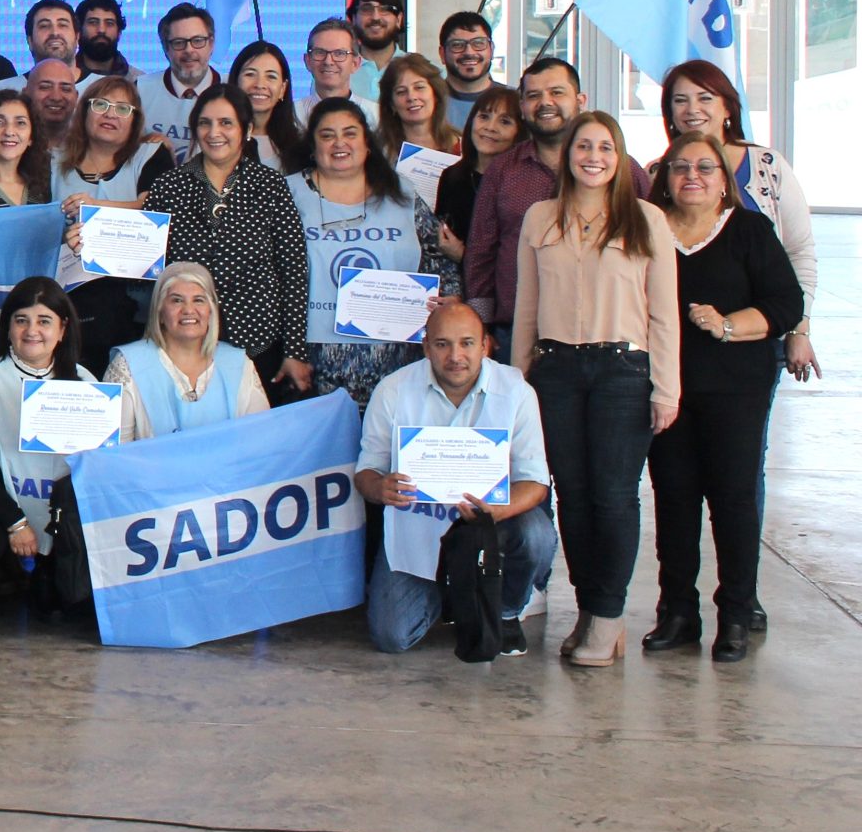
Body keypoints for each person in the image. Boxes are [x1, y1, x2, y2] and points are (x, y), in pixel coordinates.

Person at [510, 111, 681, 668]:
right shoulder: (541, 217)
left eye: (606, 147)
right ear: (568, 155)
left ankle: (609, 616)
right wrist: (517, 382)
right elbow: (527, 310)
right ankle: (588, 609)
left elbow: (664, 316)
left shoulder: (647, 220)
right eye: (584, 145)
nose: (593, 156)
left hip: (622, 372)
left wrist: (666, 389)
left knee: (613, 495)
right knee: (573, 497)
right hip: (556, 370)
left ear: (619, 157)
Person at [644, 131, 801, 663]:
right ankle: (678, 612)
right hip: (666, 390)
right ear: (664, 176)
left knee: (733, 501)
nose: (692, 176)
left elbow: (785, 303)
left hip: (736, 389)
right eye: (680, 166)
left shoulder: (749, 230)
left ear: (723, 180)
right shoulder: (648, 231)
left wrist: (729, 326)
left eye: (705, 168)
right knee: (674, 500)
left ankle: (735, 612)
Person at [355, 302, 555, 656]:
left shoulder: (516, 392)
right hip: (417, 527)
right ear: (426, 346)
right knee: (392, 637)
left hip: (490, 522)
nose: (455, 356)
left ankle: (503, 610)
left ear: (485, 346)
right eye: (443, 344)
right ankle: (453, 593)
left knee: (536, 534)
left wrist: (496, 511)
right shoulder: (394, 390)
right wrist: (378, 487)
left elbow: (536, 483)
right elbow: (366, 471)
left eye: (466, 343)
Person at [283, 97, 453, 404]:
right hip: (311, 364)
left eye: (350, 133)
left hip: (398, 362)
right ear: (312, 145)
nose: (339, 143)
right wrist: (289, 351)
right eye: (327, 135)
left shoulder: (401, 194)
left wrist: (448, 298)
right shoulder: (285, 194)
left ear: (367, 143)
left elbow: (438, 254)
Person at [661, 59, 821, 382]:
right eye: (681, 100)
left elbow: (799, 252)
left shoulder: (767, 166)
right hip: (675, 349)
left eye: (705, 98)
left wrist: (798, 329)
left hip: (755, 343)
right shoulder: (659, 173)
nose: (693, 109)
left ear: (728, 109)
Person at [140, 85, 308, 392]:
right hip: (183, 343)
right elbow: (144, 265)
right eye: (205, 123)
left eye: (226, 123)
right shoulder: (168, 186)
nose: (214, 132)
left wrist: (294, 350)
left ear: (246, 130)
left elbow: (293, 270)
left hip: (256, 343)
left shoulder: (270, 186)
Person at [466, 58, 647, 338]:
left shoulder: (620, 168)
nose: (545, 102)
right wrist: (481, 328)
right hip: (515, 331)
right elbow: (481, 252)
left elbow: (651, 248)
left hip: (607, 334)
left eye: (556, 92)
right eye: (534, 96)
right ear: (523, 108)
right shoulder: (502, 171)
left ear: (580, 100)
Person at [0, 278, 93, 619]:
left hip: (60, 510)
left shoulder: (87, 383)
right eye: (22, 320)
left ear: (62, 329)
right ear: (8, 327)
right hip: (0, 506)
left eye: (44, 321)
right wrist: (15, 522)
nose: (32, 331)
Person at [50, 75, 175, 368]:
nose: (110, 114)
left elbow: (156, 209)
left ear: (135, 120)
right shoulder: (53, 162)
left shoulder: (151, 155)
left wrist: (96, 208)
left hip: (136, 308)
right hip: (71, 306)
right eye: (101, 104)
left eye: (123, 109)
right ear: (84, 111)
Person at [107, 263, 270, 439]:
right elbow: (115, 454)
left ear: (211, 311)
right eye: (177, 300)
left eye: (198, 300)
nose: (189, 310)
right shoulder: (127, 365)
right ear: (160, 312)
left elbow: (261, 440)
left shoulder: (238, 363)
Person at [435, 87, 524, 265]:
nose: (490, 128)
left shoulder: (523, 185)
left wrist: (464, 257)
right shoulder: (451, 176)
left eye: (504, 122)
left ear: (519, 134)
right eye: (484, 117)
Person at [137, 2, 221, 155]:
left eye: (197, 41)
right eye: (179, 43)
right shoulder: (139, 91)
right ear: (165, 48)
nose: (189, 50)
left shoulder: (234, 89)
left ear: (211, 44)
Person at [228, 40, 304, 171]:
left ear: (282, 88)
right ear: (235, 81)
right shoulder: (216, 137)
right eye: (250, 74)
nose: (259, 84)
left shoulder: (298, 147)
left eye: (271, 77)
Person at [376, 51, 461, 167]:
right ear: (392, 104)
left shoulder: (464, 147)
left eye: (419, 87)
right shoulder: (377, 151)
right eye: (401, 92)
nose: (411, 97)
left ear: (435, 94)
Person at [296, 18, 377, 128]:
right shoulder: (292, 117)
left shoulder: (376, 117)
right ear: (307, 61)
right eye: (320, 52)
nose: (328, 61)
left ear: (355, 63)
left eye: (339, 53)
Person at [345, 0, 406, 104]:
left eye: (385, 9)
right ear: (353, 19)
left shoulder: (424, 72)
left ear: (399, 20)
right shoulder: (337, 72)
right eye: (366, 9)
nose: (375, 17)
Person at [437, 11, 501, 125]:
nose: (469, 52)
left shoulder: (515, 102)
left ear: (491, 49)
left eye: (478, 43)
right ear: (442, 54)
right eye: (457, 45)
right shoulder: (426, 102)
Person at [21, 58, 82, 149]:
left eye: (65, 89)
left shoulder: (88, 148)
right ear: (25, 94)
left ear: (76, 97)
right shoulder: (11, 146)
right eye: (45, 87)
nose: (56, 97)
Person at [74, 0, 133, 78]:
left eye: (109, 23)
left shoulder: (139, 83)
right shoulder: (62, 79)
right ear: (79, 30)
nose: (101, 30)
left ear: (119, 32)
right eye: (93, 22)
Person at [20, 0, 80, 72]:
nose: (55, 32)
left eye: (62, 25)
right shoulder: (7, 84)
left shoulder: (97, 82)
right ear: (30, 41)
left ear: (77, 37)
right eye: (44, 26)